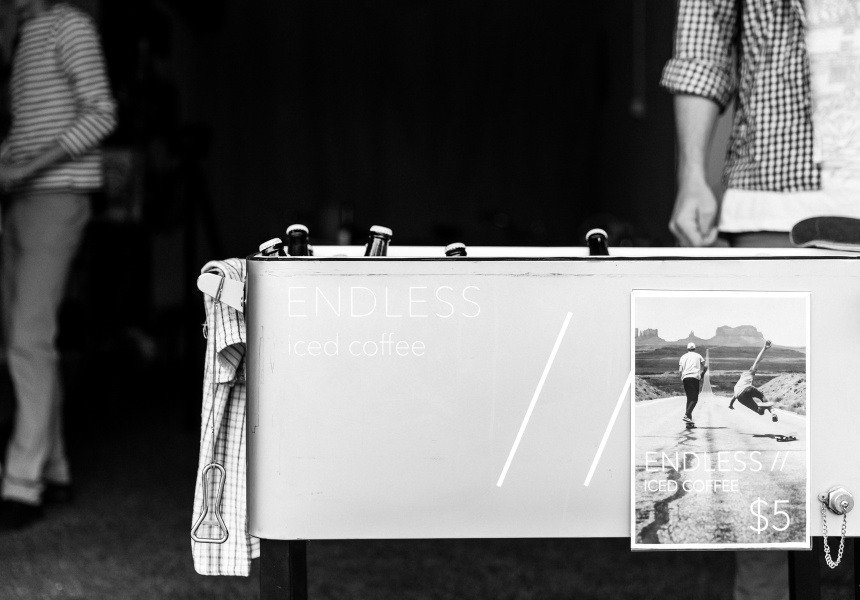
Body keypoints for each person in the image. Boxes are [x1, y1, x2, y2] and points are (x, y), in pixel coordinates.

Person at [0, 0, 116, 530]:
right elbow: (28, 128)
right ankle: (54, 465)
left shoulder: (69, 26)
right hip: (21, 199)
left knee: (28, 338)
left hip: (56, 195)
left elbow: (102, 114)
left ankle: (22, 483)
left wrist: (26, 167)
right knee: (24, 337)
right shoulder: (25, 33)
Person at [728, 339, 777, 420]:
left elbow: (733, 398)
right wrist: (764, 348)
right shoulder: (749, 373)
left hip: (740, 397)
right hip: (748, 388)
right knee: (761, 396)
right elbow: (757, 361)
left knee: (760, 412)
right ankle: (773, 412)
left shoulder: (737, 385)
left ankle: (761, 408)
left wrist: (730, 405)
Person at [678, 342, 706, 424]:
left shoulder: (683, 357)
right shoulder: (698, 356)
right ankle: (686, 415)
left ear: (687, 349)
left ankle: (689, 422)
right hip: (694, 378)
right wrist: (702, 375)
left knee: (689, 398)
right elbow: (705, 366)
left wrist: (682, 377)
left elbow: (680, 370)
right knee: (694, 399)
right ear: (694, 348)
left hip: (685, 378)